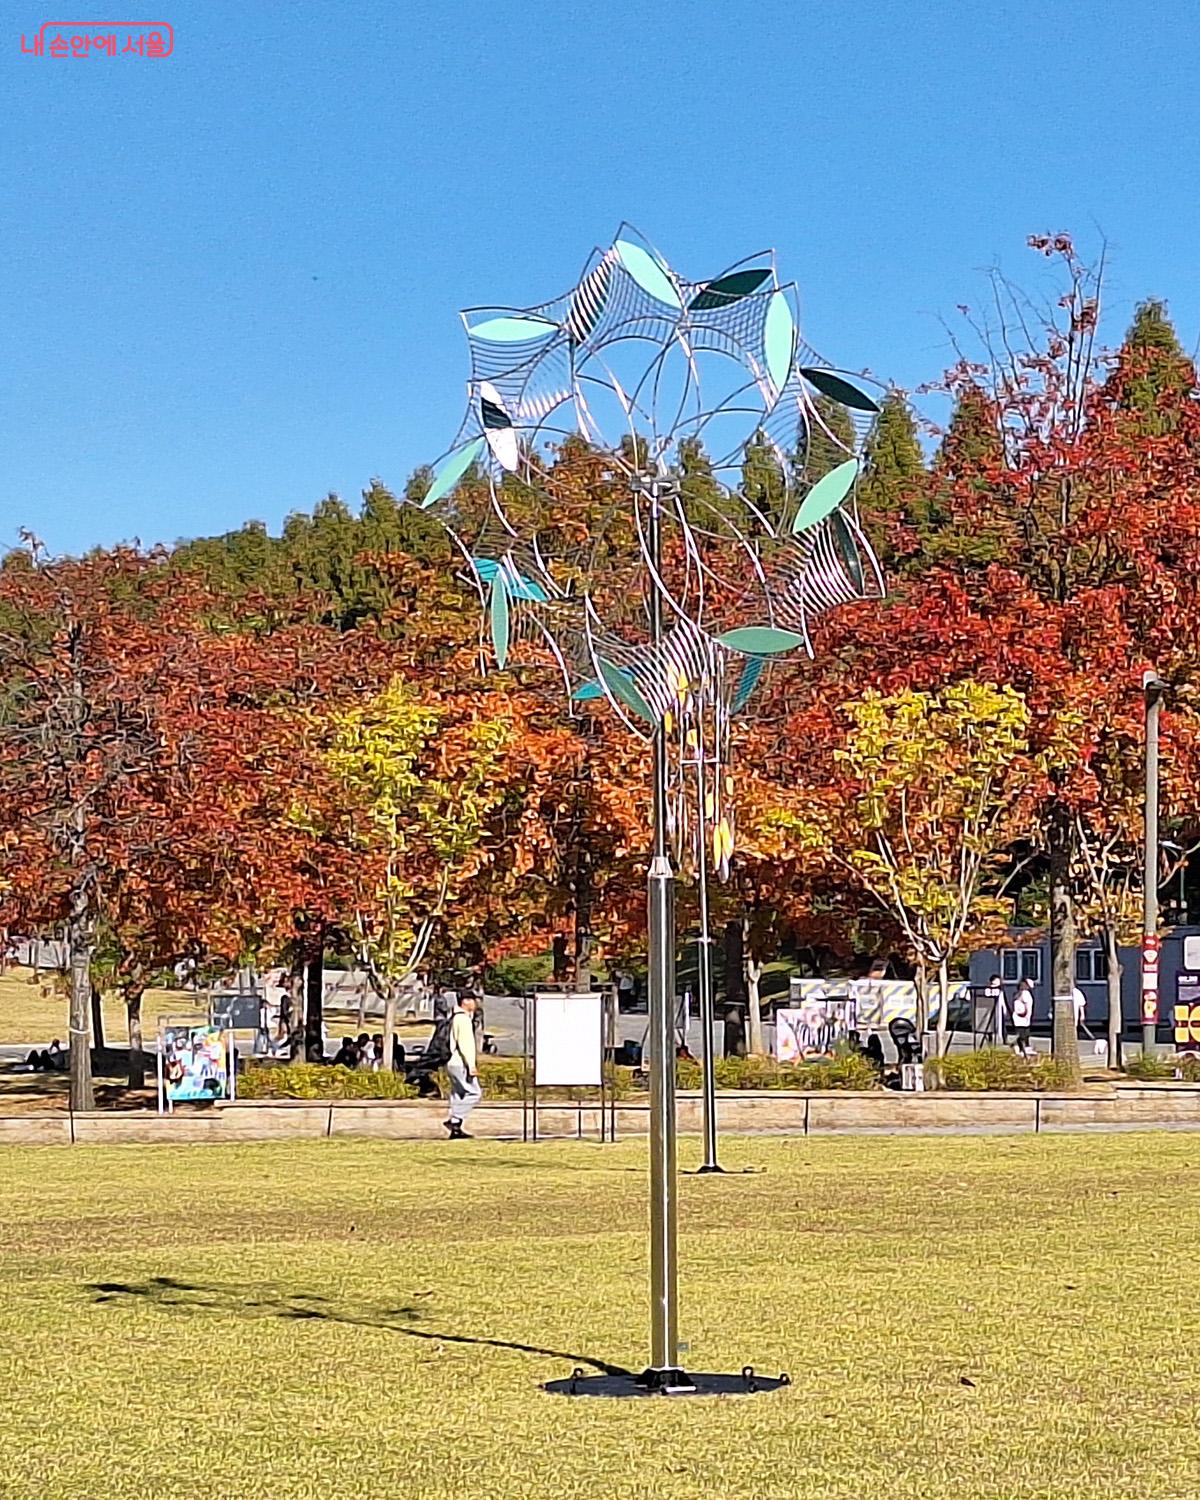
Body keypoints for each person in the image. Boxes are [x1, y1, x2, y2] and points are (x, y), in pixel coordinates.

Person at [445, 994, 481, 1139]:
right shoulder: (463, 1019)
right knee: (474, 1093)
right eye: (473, 1000)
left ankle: (456, 1130)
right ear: (465, 1002)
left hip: (452, 1062)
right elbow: (465, 1044)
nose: (475, 1003)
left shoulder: (454, 1017)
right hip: (461, 1063)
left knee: (458, 1094)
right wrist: (471, 1065)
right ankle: (454, 1120)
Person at [1011, 978, 1035, 1059]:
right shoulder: (1026, 994)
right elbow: (1028, 1005)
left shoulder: (1017, 994)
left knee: (1021, 1033)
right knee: (1024, 1034)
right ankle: (1023, 1048)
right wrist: (1028, 1015)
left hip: (1017, 1016)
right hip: (1024, 1016)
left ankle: (1020, 1048)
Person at [984, 973, 1007, 1043]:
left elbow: (1003, 1000)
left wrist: (1004, 1009)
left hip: (1000, 1008)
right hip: (990, 1009)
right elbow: (987, 996)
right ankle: (990, 1037)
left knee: (1002, 1024)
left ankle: (1004, 1038)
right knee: (990, 1024)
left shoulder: (1001, 990)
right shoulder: (988, 989)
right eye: (995, 981)